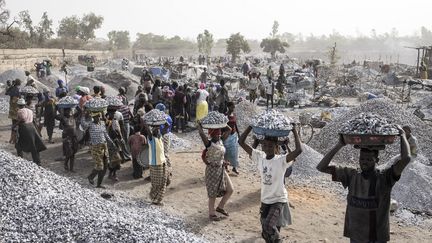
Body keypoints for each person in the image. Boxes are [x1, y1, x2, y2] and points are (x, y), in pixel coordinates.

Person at [316, 126, 411, 243]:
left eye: (369, 159)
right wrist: (339, 145)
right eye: (362, 159)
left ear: (377, 160)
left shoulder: (385, 177)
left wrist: (402, 136)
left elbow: (406, 158)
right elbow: (321, 167)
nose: (364, 162)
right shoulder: (352, 175)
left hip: (376, 237)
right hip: (356, 235)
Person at [239, 125, 302, 243]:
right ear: (261, 145)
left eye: (271, 146)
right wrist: (250, 127)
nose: (267, 148)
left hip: (278, 199)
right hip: (265, 200)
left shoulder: (281, 160)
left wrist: (294, 131)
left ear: (276, 146)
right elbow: (241, 142)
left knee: (268, 226)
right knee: (266, 232)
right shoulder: (259, 157)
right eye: (265, 145)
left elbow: (299, 151)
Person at [198, 123, 234, 221]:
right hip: (212, 170)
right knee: (212, 193)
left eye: (219, 134)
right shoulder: (209, 144)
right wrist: (200, 125)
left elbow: (229, 129)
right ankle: (211, 213)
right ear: (211, 135)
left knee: (230, 189)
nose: (218, 135)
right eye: (216, 134)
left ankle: (220, 207)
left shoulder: (220, 141)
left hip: (221, 169)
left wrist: (222, 123)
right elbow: (201, 134)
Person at [81, 112, 113, 188]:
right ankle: (91, 177)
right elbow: (83, 125)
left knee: (105, 167)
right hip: (95, 147)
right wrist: (83, 115)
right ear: (93, 117)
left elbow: (105, 134)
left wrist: (111, 142)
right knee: (100, 166)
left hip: (104, 146)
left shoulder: (102, 123)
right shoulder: (90, 124)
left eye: (99, 116)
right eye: (96, 117)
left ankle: (99, 184)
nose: (98, 118)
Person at [142, 122, 170, 205]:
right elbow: (148, 130)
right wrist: (146, 123)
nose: (158, 131)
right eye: (156, 130)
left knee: (163, 181)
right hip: (155, 164)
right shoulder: (151, 139)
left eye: (158, 129)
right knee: (157, 183)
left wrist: (164, 122)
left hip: (162, 162)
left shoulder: (159, 137)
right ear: (153, 131)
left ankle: (157, 199)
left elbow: (167, 127)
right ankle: (155, 199)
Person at [14, 98, 47, 165]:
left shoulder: (20, 111)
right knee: (34, 144)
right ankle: (37, 161)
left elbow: (23, 119)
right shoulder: (30, 110)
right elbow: (33, 119)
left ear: (19, 105)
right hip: (32, 127)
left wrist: (16, 124)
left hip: (24, 128)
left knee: (19, 144)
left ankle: (21, 159)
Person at [223, 102, 240, 175]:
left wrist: (239, 134)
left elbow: (235, 125)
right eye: (232, 107)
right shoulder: (225, 115)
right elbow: (223, 125)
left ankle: (234, 167)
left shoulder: (234, 115)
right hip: (227, 136)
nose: (233, 108)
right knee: (226, 151)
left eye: (234, 107)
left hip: (234, 135)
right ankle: (226, 166)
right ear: (228, 107)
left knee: (234, 152)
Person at [5, 79, 21, 144]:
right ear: (19, 83)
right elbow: (19, 99)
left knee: (13, 124)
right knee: (17, 124)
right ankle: (14, 139)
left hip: (12, 110)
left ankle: (12, 139)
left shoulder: (12, 89)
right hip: (16, 110)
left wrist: (11, 86)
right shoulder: (17, 90)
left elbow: (6, 93)